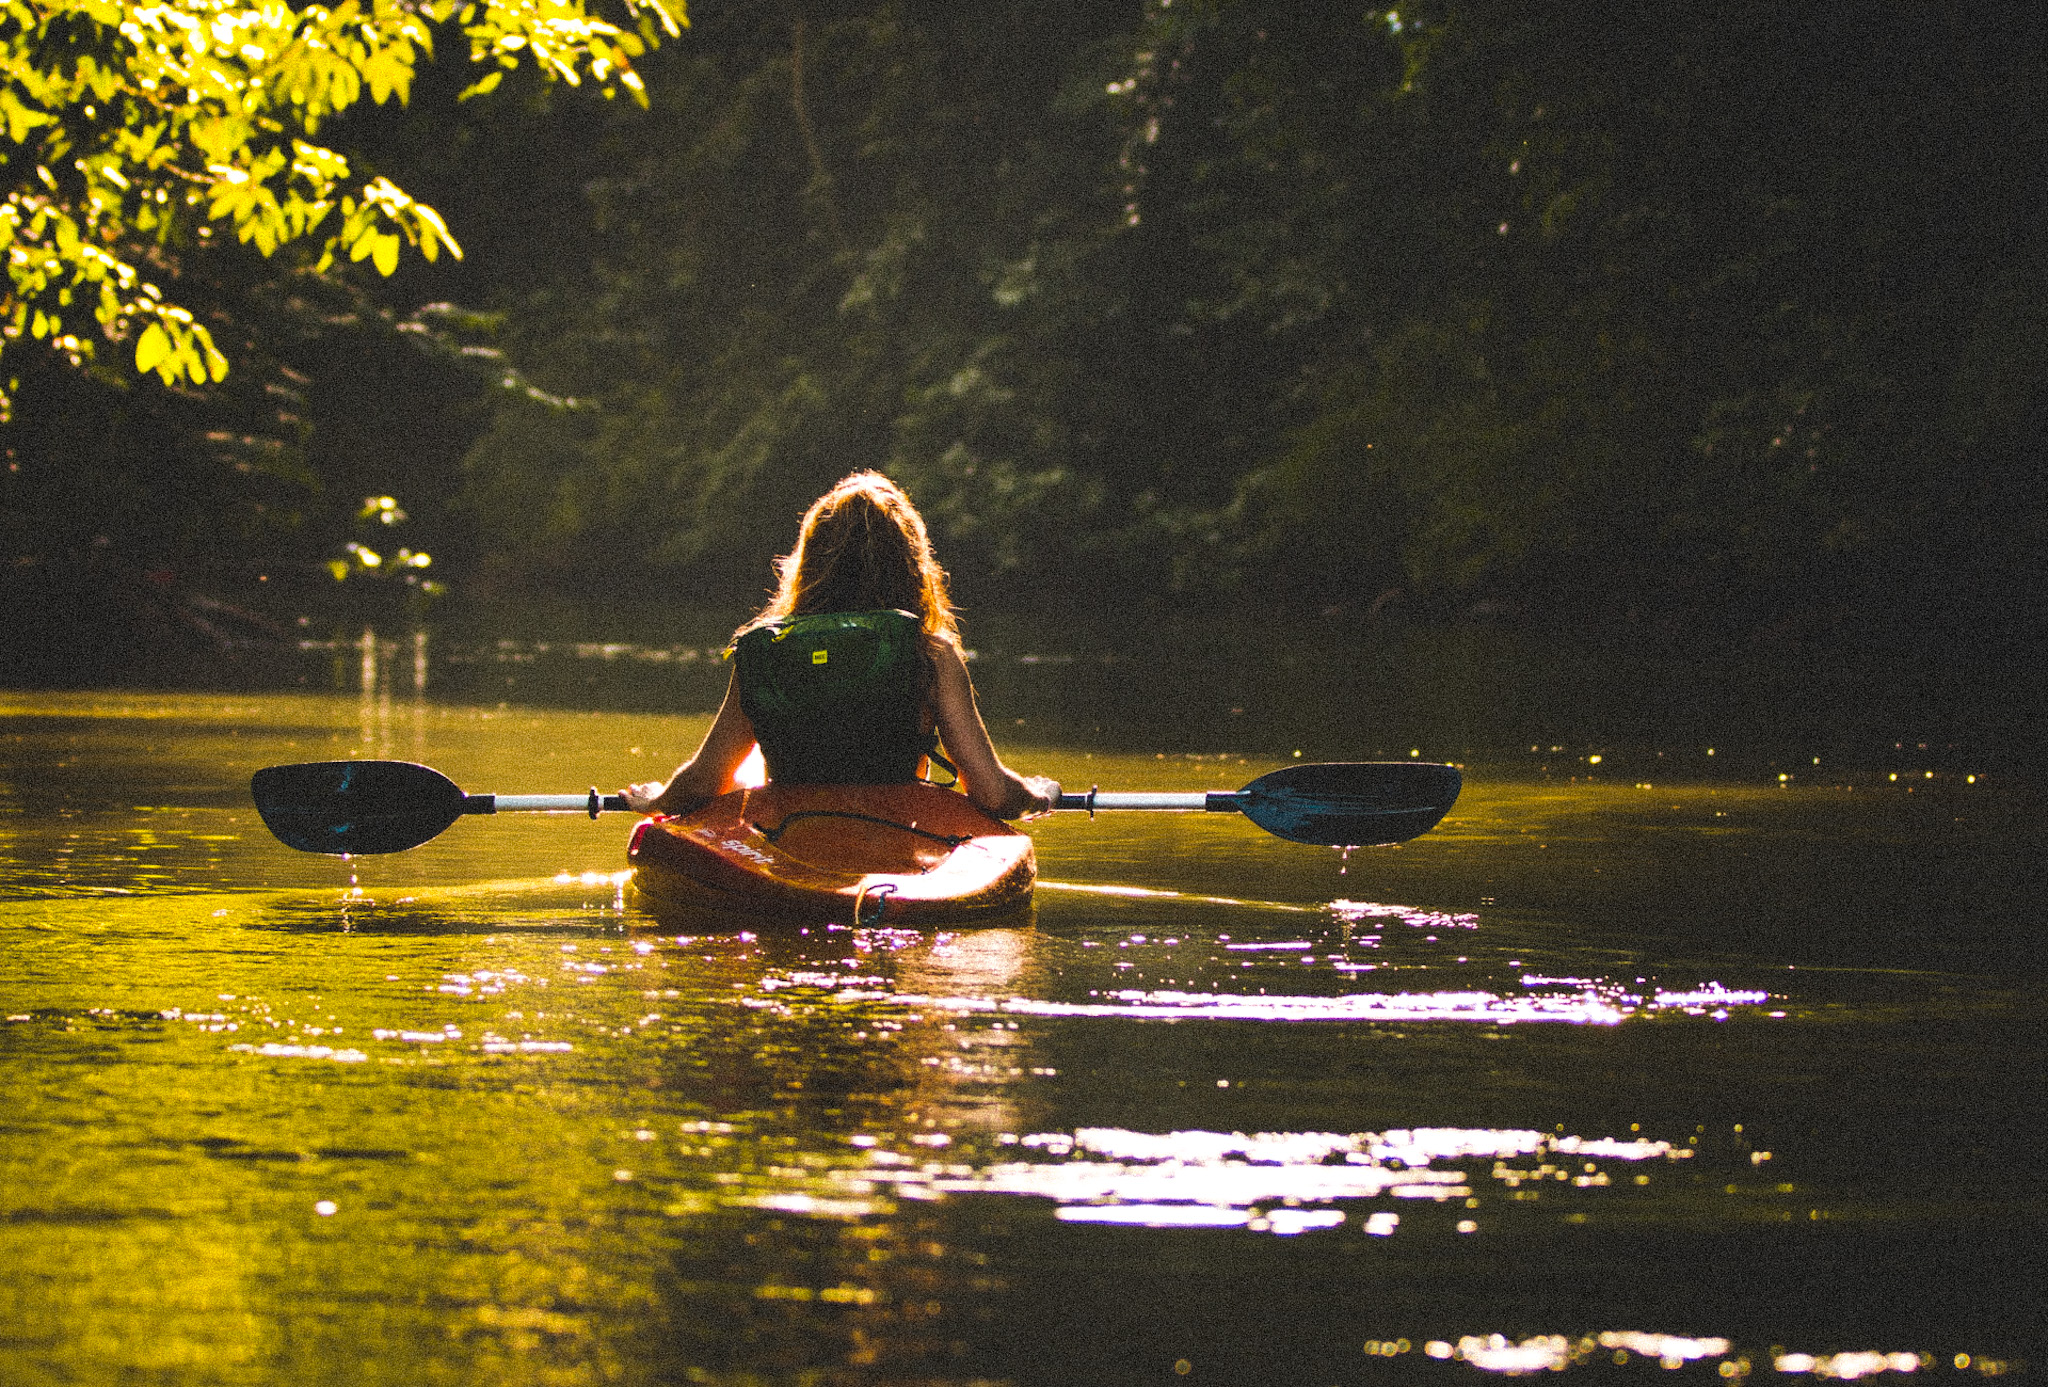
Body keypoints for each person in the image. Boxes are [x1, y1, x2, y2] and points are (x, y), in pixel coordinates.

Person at [621, 472, 1060, 820]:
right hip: (896, 835)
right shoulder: (930, 655)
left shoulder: (767, 651)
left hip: (790, 833)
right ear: (911, 565)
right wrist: (1038, 794)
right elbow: (992, 793)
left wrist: (657, 798)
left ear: (810, 562)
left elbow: (704, 782)